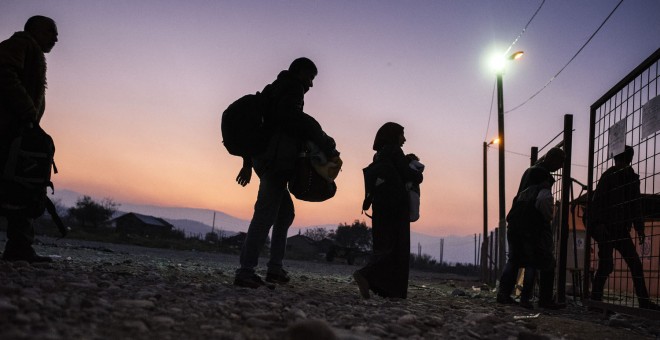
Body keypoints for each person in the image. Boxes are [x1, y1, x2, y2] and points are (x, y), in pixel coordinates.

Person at [233, 57, 339, 288]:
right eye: (310, 78)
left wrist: (248, 163)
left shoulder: (273, 90)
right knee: (265, 214)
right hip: (275, 162)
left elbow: (266, 126)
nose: (310, 85)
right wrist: (324, 140)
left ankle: (274, 269)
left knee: (284, 213)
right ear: (300, 72)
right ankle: (246, 271)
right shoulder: (292, 88)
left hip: (265, 159)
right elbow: (291, 120)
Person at [0, 16, 59, 263]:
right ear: (33, 30)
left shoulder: (32, 51)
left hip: (17, 128)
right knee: (20, 182)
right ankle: (19, 247)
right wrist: (27, 112)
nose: (55, 38)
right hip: (8, 129)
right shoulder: (21, 44)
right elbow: (3, 72)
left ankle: (19, 247)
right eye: (50, 31)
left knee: (22, 182)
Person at [353, 122, 423, 299]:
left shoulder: (380, 155)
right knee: (395, 247)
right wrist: (418, 174)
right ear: (393, 135)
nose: (404, 139)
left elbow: (396, 171)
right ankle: (367, 275)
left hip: (381, 206)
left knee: (384, 245)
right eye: (402, 134)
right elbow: (407, 174)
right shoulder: (394, 151)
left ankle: (378, 285)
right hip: (396, 206)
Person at [589, 145, 659, 310]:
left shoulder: (630, 178)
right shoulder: (611, 176)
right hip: (607, 228)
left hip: (619, 229)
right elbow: (598, 202)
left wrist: (639, 227)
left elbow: (635, 204)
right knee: (607, 265)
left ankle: (643, 301)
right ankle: (595, 301)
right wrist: (599, 224)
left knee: (634, 264)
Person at [496, 147, 565, 309]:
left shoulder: (529, 171)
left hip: (515, 220)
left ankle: (503, 294)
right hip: (530, 223)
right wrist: (548, 217)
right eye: (560, 163)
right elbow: (543, 199)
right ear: (552, 159)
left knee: (514, 259)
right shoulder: (543, 175)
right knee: (534, 261)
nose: (560, 167)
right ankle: (532, 300)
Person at [405, 153, 424, 222]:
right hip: (413, 191)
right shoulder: (412, 165)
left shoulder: (410, 166)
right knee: (414, 214)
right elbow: (422, 166)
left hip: (411, 191)